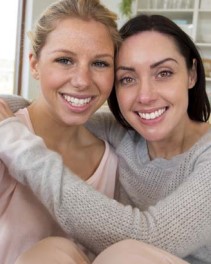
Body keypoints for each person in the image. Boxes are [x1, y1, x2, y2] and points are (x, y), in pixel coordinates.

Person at [0, 14, 210, 264]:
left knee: (124, 255)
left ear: (192, 74)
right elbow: (56, 113)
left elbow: (149, 238)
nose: (145, 96)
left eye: (163, 73)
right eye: (128, 79)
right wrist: (9, 110)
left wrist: (13, 137)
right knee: (49, 252)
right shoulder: (125, 133)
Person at [0, 0, 121, 263]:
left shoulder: (114, 159)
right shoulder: (3, 139)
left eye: (100, 64)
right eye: (65, 60)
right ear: (34, 65)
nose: (82, 81)